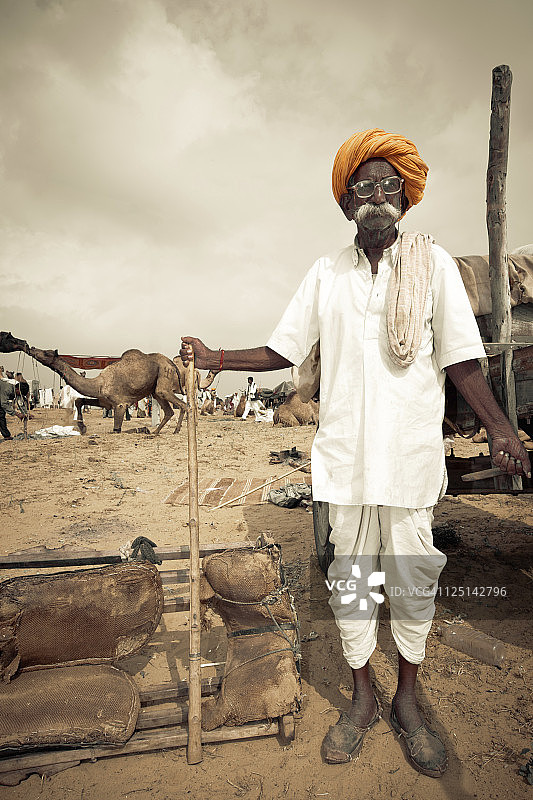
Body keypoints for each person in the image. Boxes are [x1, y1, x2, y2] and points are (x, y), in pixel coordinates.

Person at [180, 128, 531, 777]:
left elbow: (460, 362)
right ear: (346, 202)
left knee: (411, 582)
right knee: (348, 586)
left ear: (405, 196)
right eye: (362, 185)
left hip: (408, 460)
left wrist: (499, 428)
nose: (375, 194)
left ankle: (405, 700)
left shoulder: (432, 267)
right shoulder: (324, 274)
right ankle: (361, 698)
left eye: (387, 184)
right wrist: (218, 358)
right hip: (342, 462)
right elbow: (282, 351)